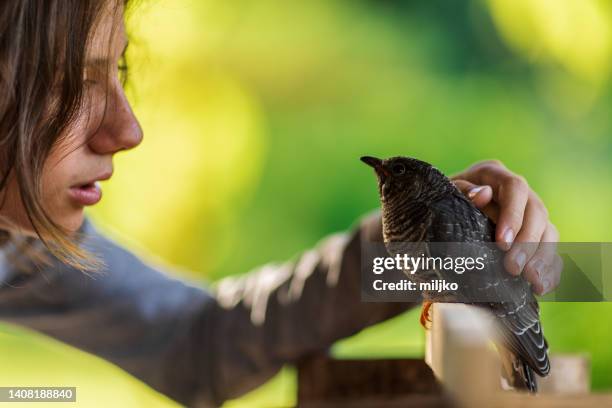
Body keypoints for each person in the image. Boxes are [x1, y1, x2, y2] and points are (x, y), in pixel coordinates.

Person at [0, 1, 561, 407]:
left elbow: (198, 342)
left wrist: (426, 244)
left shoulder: (20, 248)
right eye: (69, 81)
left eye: (118, 73)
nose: (128, 129)